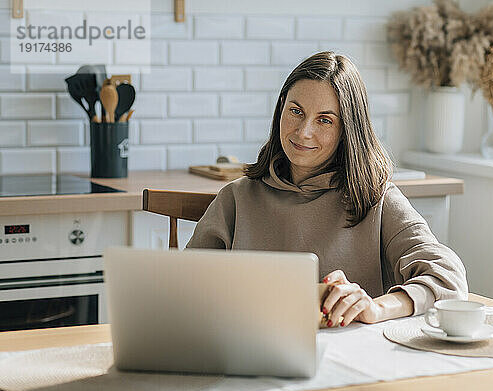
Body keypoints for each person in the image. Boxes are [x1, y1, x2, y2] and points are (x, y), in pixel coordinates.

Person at [186, 51, 468, 327]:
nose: (303, 131)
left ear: (347, 129)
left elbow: (448, 278)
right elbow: (183, 288)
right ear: (281, 107)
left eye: (324, 120)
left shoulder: (375, 198)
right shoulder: (236, 198)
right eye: (296, 111)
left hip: (352, 361)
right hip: (244, 353)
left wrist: (377, 307)